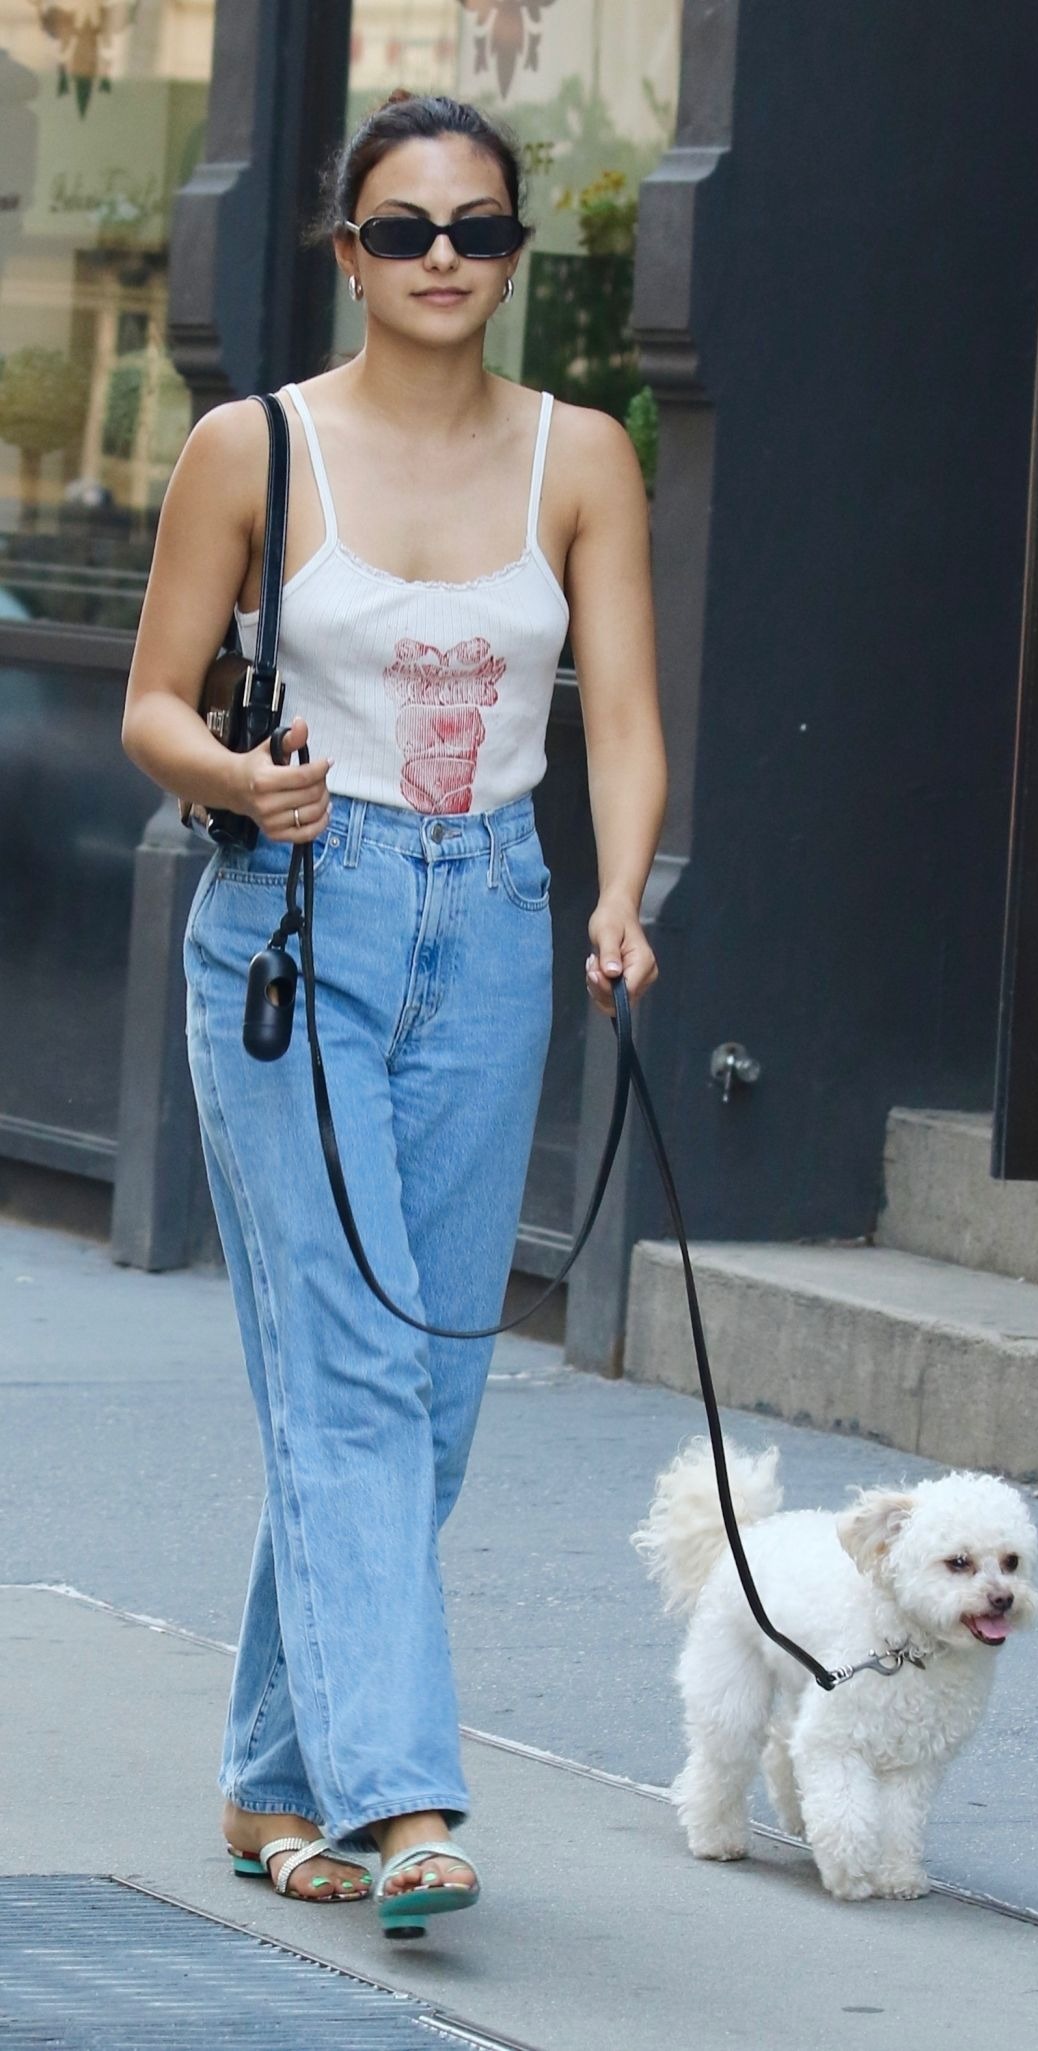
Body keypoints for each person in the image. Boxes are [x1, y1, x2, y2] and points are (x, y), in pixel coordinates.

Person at [121, 91, 666, 1938]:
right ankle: (407, 1794)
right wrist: (244, 783)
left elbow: (627, 719)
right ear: (348, 253)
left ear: (517, 255)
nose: (448, 258)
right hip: (294, 922)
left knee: (427, 1388)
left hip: (499, 912)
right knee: (348, 1371)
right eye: (409, 228)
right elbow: (154, 708)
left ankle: (273, 1778)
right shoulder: (249, 445)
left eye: (482, 229)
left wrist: (616, 895)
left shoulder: (580, 454)